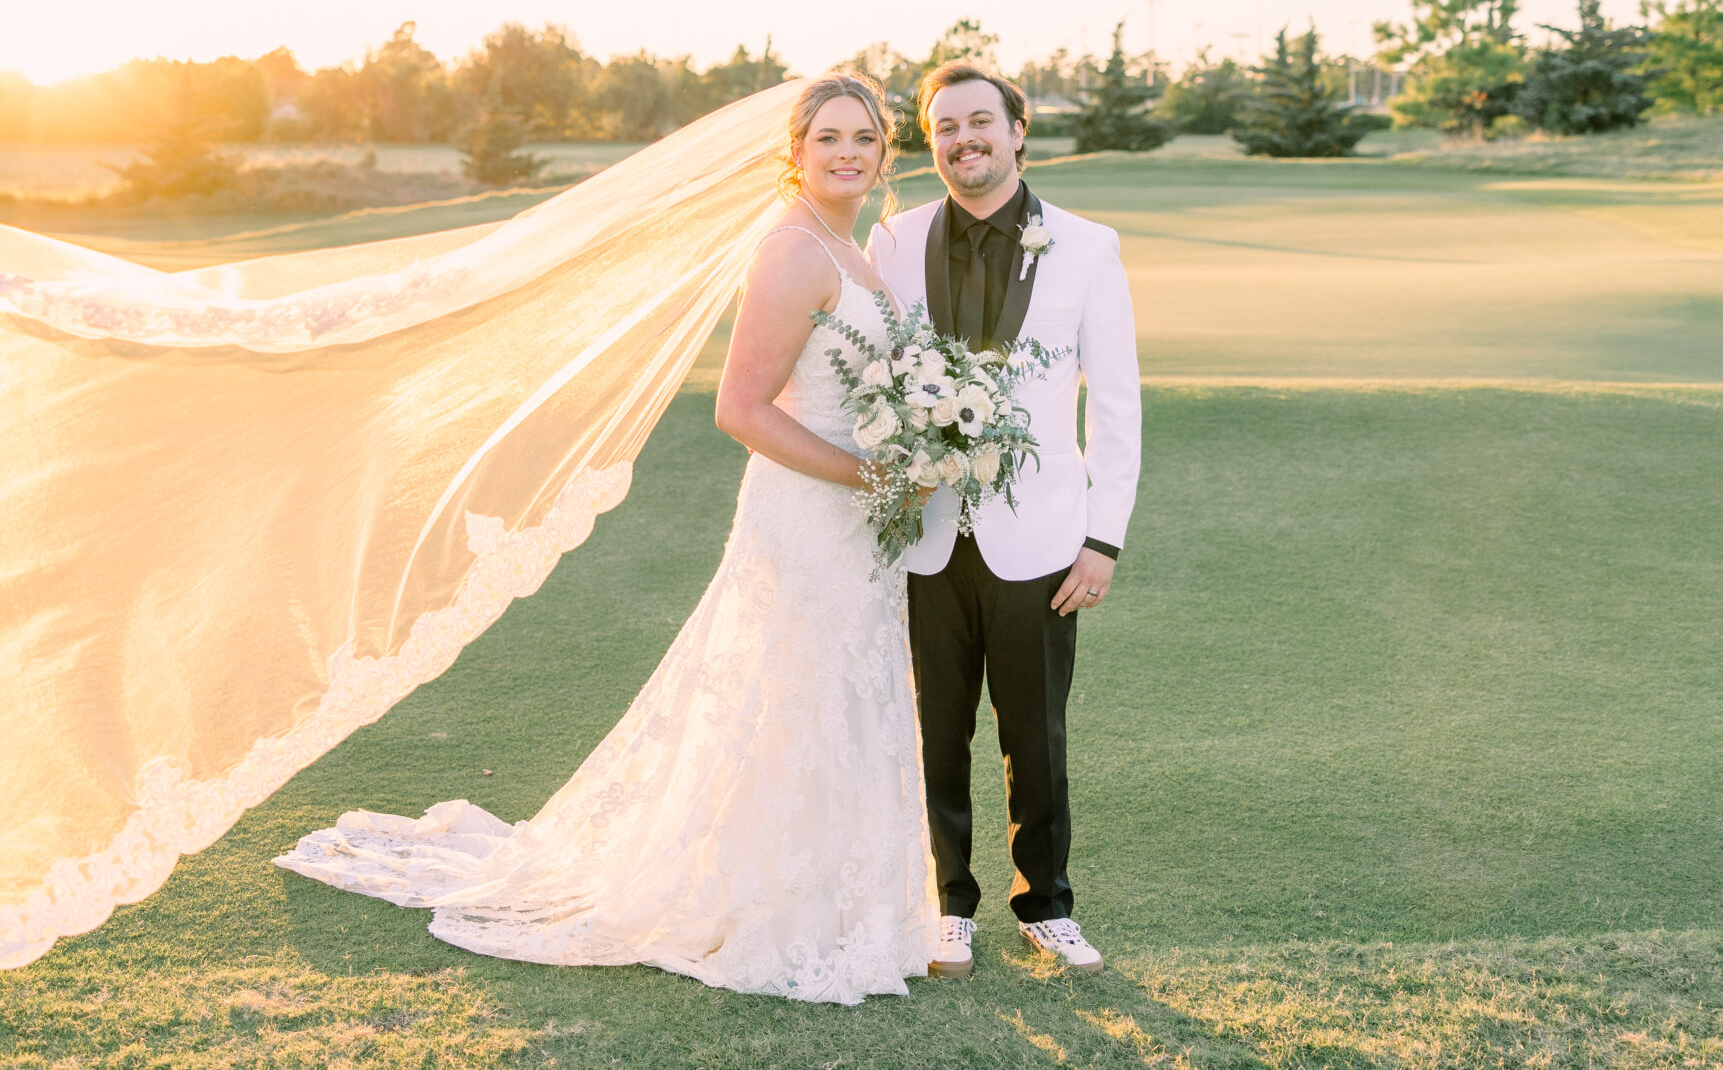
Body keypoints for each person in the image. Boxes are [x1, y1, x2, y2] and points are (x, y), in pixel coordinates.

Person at [275, 73, 941, 1004]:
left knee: (842, 693)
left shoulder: (859, 247)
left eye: (864, 137)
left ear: (884, 151)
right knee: (797, 692)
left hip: (860, 523)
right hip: (808, 512)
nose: (847, 152)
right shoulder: (792, 249)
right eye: (827, 136)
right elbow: (740, 409)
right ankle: (773, 908)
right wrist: (869, 475)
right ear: (792, 151)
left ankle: (847, 909)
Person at [867, 60, 1141, 978]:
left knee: (1037, 736)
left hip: (1043, 541)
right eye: (944, 128)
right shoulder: (893, 243)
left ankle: (1048, 905)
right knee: (932, 730)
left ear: (1019, 130)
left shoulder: (1088, 246)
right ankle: (946, 903)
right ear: (932, 142)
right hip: (926, 537)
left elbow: (1117, 407)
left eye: (980, 122)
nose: (963, 141)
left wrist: (1103, 540)